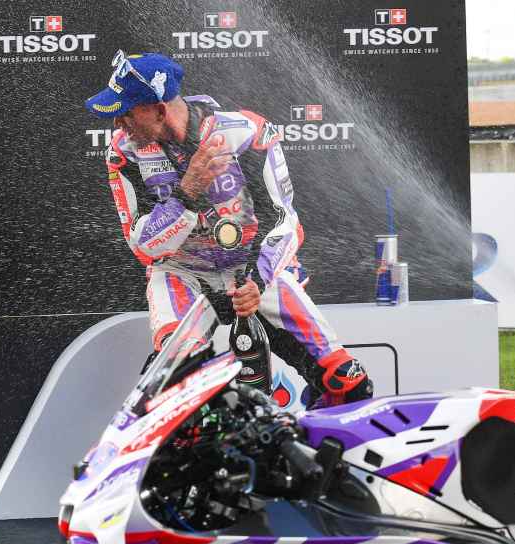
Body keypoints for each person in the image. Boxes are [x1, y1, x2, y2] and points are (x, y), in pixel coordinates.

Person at [85, 51, 372, 408]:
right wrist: (186, 194)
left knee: (347, 383)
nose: (118, 124)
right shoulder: (123, 154)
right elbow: (143, 247)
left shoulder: (246, 133)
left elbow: (285, 221)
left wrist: (257, 280)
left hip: (251, 268)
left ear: (159, 110)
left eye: (126, 112)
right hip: (181, 273)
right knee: (166, 394)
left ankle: (298, 455)